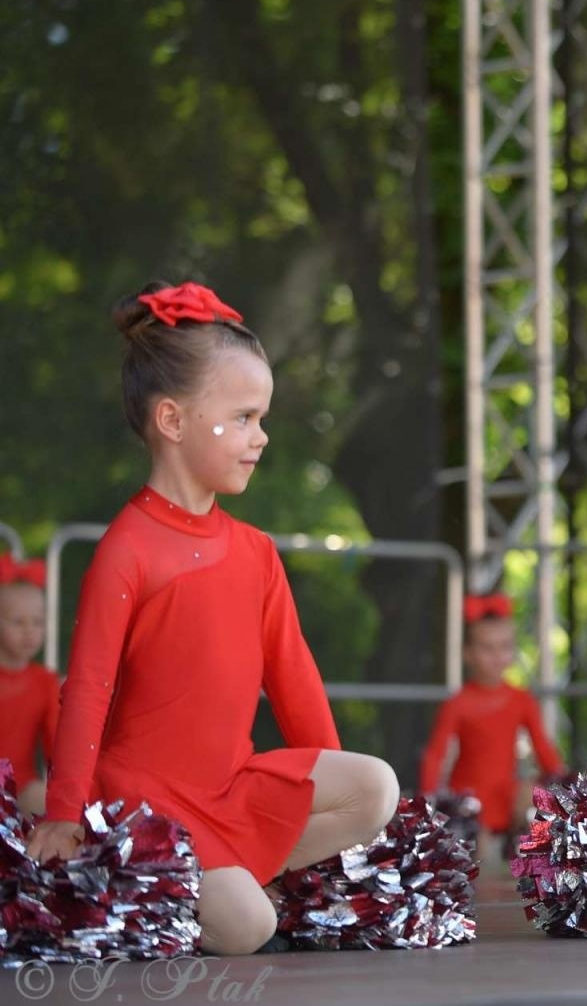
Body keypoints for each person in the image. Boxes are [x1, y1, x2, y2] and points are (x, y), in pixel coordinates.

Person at [25, 282, 400, 955]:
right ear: (172, 420)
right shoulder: (127, 549)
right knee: (249, 930)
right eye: (246, 418)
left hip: (231, 787)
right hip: (150, 799)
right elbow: (87, 689)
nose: (262, 437)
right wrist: (63, 813)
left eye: (262, 418)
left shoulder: (255, 553)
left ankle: (235, 877)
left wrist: (328, 777)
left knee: (375, 788)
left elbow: (296, 684)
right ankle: (172, 878)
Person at [419, 592, 566, 857]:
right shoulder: (458, 703)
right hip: (469, 802)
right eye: (488, 648)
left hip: (508, 800)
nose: (498, 656)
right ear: (468, 653)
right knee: (481, 852)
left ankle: (525, 851)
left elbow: (544, 751)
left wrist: (565, 790)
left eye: (505, 646)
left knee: (532, 796)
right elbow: (435, 755)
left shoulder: (521, 699)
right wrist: (428, 806)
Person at [0, 554, 57, 816]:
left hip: (21, 788)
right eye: (17, 622)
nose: (29, 631)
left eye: (37, 622)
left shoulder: (45, 682)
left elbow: (55, 748)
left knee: (40, 795)